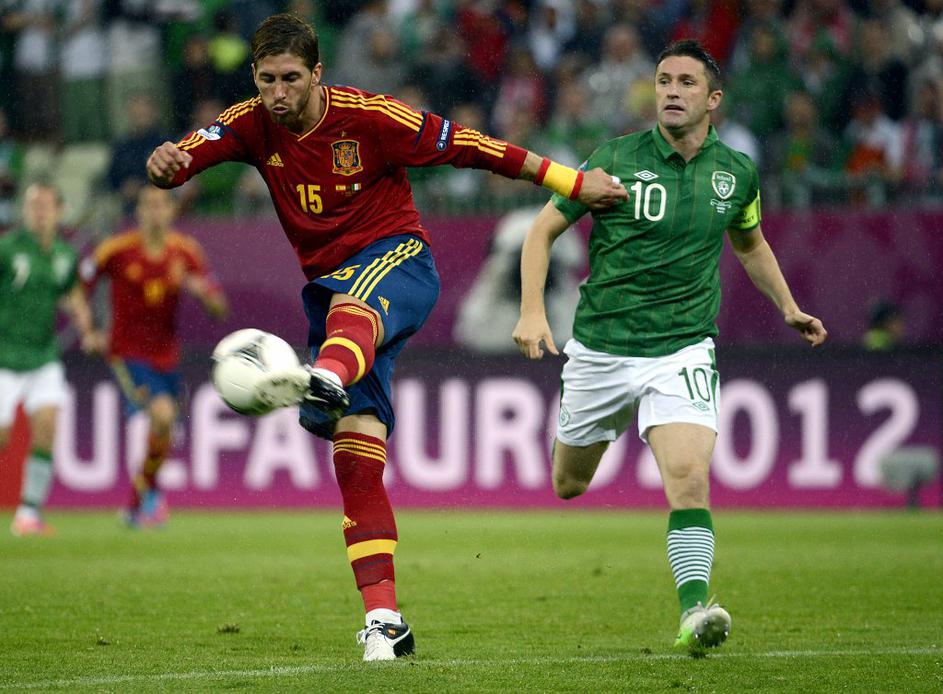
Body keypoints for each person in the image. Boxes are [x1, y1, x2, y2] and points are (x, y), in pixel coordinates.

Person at [144, 13, 626, 662]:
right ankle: (384, 621)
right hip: (336, 302)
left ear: (318, 74)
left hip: (399, 264)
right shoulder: (248, 122)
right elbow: (179, 163)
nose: (278, 93)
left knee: (353, 304)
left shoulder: (370, 116)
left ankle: (326, 375)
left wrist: (571, 182)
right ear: (254, 77)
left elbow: (472, 146)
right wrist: (164, 166)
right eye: (267, 80)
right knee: (356, 459)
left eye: (291, 78)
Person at [512, 40, 828, 656]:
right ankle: (576, 430)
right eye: (663, 81)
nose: (672, 91)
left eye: (686, 82)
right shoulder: (614, 160)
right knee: (568, 483)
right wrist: (531, 311)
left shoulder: (736, 173)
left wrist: (788, 306)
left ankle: (694, 613)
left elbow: (751, 244)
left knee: (687, 477)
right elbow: (542, 230)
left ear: (713, 99)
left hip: (682, 348)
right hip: (602, 347)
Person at [82, 185, 228, 527]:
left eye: (161, 205)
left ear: (172, 211)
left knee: (164, 430)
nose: (155, 211)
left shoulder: (186, 252)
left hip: (167, 356)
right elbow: (78, 284)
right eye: (148, 205)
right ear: (138, 212)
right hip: (126, 353)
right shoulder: (116, 250)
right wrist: (89, 329)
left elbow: (219, 308)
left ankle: (139, 503)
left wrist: (203, 294)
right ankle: (147, 500)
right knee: (162, 416)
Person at [0, 183, 99, 536]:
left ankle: (28, 514)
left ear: (59, 211)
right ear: (24, 211)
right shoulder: (7, 248)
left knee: (46, 428)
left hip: (44, 356)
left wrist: (87, 329)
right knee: (2, 436)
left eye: (45, 205)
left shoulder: (64, 254)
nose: (39, 211)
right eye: (33, 205)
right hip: (5, 356)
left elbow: (71, 294)